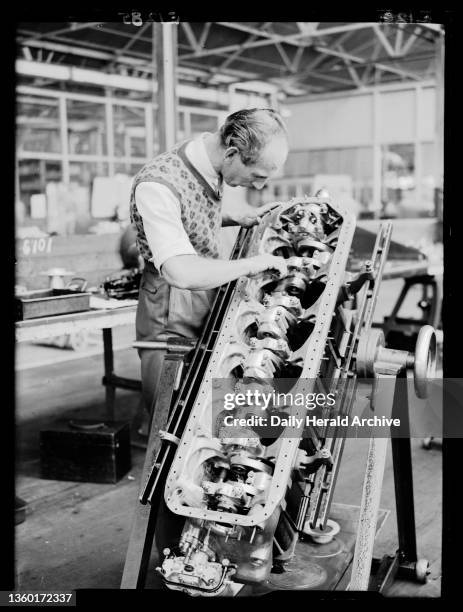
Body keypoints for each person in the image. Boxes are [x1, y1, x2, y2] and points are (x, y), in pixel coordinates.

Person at [130, 107, 290, 424]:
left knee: (209, 410)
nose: (257, 188)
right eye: (256, 176)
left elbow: (192, 217)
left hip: (202, 293)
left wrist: (238, 217)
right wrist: (252, 264)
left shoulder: (207, 159)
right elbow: (181, 272)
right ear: (232, 152)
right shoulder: (158, 185)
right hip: (171, 309)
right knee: (174, 423)